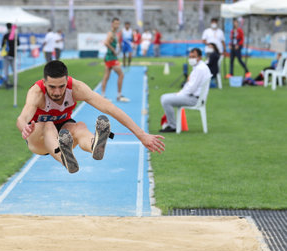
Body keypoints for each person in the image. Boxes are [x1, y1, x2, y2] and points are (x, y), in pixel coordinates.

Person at [17, 60, 165, 173]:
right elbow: (22, 118)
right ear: (44, 83)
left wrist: (141, 134)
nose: (57, 92)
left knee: (80, 126)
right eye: (52, 87)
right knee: (48, 125)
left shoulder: (76, 88)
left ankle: (94, 145)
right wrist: (24, 128)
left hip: (64, 135)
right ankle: (64, 158)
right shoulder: (36, 93)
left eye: (61, 86)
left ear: (67, 81)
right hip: (38, 138)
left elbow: (110, 108)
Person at [160, 48, 211, 133]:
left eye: (193, 57)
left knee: (166, 100)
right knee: (164, 97)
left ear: (200, 57)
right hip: (193, 96)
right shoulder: (199, 67)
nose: (191, 59)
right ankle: (171, 124)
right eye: (190, 57)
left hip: (194, 99)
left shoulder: (200, 69)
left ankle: (172, 126)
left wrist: (180, 94)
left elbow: (191, 88)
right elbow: (190, 85)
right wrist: (180, 93)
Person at [101, 17, 129, 102]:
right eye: (116, 23)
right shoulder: (111, 33)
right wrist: (113, 50)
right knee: (121, 74)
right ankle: (119, 95)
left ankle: (102, 96)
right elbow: (106, 42)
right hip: (111, 58)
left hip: (110, 57)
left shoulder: (114, 33)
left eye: (118, 23)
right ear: (112, 24)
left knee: (106, 76)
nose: (117, 25)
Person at [1, 23, 20, 88]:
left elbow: (2, 45)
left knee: (6, 70)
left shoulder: (6, 35)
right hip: (13, 54)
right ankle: (15, 83)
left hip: (6, 55)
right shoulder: (15, 35)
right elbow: (18, 44)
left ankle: (7, 83)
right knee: (14, 70)